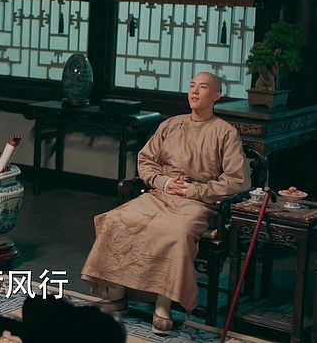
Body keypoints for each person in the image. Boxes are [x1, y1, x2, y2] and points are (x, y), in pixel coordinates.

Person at [80, 72, 246, 335]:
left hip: (196, 202)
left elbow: (237, 180)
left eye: (203, 87)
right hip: (160, 194)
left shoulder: (225, 133)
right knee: (116, 220)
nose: (195, 91)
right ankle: (116, 296)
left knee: (174, 233)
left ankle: (163, 305)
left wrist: (196, 190)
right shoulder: (171, 125)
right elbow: (146, 160)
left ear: (216, 95)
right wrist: (164, 182)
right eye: (192, 86)